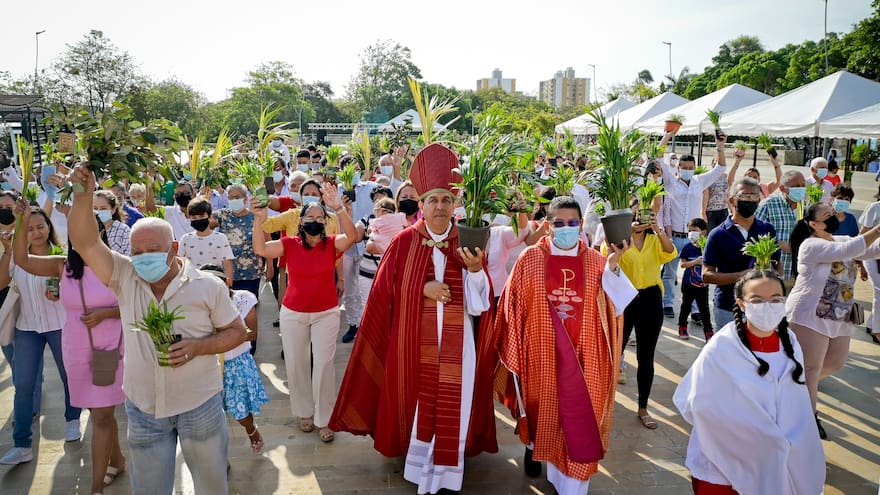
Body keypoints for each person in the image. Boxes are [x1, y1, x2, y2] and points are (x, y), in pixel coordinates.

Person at [66, 163, 248, 495]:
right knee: (149, 488)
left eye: (154, 251)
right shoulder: (124, 276)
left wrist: (198, 347)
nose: (144, 258)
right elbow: (84, 242)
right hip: (144, 408)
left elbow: (237, 332)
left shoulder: (207, 286)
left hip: (200, 404)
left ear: (175, 249)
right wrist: (82, 194)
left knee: (211, 485)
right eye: (137, 252)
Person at [330, 143, 498, 494]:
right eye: (433, 200)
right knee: (419, 402)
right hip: (412, 341)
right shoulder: (405, 241)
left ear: (455, 206)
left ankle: (448, 468)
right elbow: (383, 292)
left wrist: (474, 270)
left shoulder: (467, 241)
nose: (440, 207)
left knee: (455, 399)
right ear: (421, 206)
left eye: (446, 200)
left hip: (459, 343)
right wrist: (423, 289)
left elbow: (481, 304)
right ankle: (421, 464)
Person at [494, 195, 636, 495]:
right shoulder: (529, 258)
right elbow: (512, 304)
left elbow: (617, 307)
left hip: (585, 356)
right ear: (548, 226)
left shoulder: (597, 262)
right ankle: (533, 447)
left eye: (573, 223)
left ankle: (570, 482)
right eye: (559, 223)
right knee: (540, 410)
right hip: (540, 353)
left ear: (582, 224)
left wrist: (613, 266)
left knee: (578, 417)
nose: (567, 228)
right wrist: (516, 344)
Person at [673, 269, 825, 495]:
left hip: (779, 463)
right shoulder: (722, 347)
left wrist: (784, 444)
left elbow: (798, 405)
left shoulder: (791, 343)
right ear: (741, 304)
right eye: (757, 300)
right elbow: (697, 404)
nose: (767, 306)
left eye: (775, 300)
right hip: (723, 468)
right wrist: (759, 437)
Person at [12, 207, 126, 492]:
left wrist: (106, 315)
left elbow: (137, 306)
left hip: (108, 351)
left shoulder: (118, 265)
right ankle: (118, 459)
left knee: (100, 417)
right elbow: (21, 259)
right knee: (100, 411)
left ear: (100, 233)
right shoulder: (62, 266)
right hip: (75, 349)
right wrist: (21, 224)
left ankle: (95, 487)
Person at [252, 182, 355, 444]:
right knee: (297, 364)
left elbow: (352, 237)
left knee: (323, 363)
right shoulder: (289, 244)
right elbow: (262, 250)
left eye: (320, 217)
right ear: (301, 220)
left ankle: (324, 418)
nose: (315, 221)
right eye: (310, 217)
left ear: (326, 221)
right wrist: (257, 219)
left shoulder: (332, 243)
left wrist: (340, 209)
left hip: (326, 313)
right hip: (293, 313)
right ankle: (304, 413)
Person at [787, 203, 880, 439]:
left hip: (840, 317)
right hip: (809, 316)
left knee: (836, 363)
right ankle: (808, 417)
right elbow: (849, 250)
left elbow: (870, 250)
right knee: (811, 367)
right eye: (826, 215)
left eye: (832, 213)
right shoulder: (810, 245)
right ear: (813, 224)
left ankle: (792, 388)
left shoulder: (841, 240)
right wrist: (877, 230)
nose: (832, 217)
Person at [0, 203, 82, 466]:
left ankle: (72, 419)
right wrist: (7, 251)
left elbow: (76, 292)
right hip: (27, 328)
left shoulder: (60, 256)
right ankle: (22, 444)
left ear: (49, 227)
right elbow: (1, 283)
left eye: (41, 226)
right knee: (23, 386)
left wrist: (61, 292)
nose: (36, 232)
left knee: (69, 375)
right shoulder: (17, 257)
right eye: (30, 228)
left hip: (60, 325)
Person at [602, 204, 676, 429]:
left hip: (651, 298)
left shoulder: (655, 241)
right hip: (624, 299)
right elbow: (607, 263)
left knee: (646, 356)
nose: (640, 220)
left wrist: (658, 228)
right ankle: (603, 404)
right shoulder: (619, 241)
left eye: (645, 216)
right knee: (614, 353)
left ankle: (643, 407)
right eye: (636, 216)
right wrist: (623, 241)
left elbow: (671, 253)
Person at [659, 132, 729, 319]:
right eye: (684, 167)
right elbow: (658, 157)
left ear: (695, 167)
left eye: (691, 167)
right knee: (669, 272)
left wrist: (720, 147)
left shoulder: (700, 181)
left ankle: (696, 309)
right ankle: (667, 302)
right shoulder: (671, 180)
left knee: (696, 273)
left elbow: (721, 167)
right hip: (674, 235)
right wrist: (668, 136)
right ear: (679, 168)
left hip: (695, 237)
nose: (688, 170)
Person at [200, 265, 268, 455]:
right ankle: (218, 455)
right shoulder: (198, 304)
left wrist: (223, 337)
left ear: (226, 283)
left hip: (236, 363)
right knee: (210, 413)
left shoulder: (243, 298)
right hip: (208, 364)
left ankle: (252, 431)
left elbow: (253, 334)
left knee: (240, 409)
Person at [703, 177, 781, 330]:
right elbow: (706, 275)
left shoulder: (767, 229)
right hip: (728, 307)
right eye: (745, 196)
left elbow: (777, 265)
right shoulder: (718, 234)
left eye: (754, 197)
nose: (750, 200)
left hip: (761, 307)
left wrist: (772, 275)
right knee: (728, 352)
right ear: (732, 201)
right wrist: (742, 276)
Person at [0, 191, 43, 425]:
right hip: (3, 308)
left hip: (26, 305)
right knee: (13, 356)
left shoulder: (30, 233)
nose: (6, 209)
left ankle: (29, 408)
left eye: (9, 205)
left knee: (25, 363)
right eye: (2, 206)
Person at [755, 171, 806, 283]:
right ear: (782, 188)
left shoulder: (805, 206)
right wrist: (778, 244)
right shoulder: (769, 205)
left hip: (799, 272)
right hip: (773, 273)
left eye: (803, 185)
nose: (801, 189)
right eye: (796, 186)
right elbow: (754, 234)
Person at [179, 198, 235, 286]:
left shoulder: (220, 238)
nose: (198, 219)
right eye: (194, 217)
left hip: (215, 284)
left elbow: (227, 264)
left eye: (201, 216)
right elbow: (180, 264)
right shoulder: (186, 239)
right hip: (191, 285)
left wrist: (228, 286)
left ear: (209, 216)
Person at [678, 218, 713, 341]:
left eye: (694, 230)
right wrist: (696, 262)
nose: (691, 233)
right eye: (690, 231)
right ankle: (682, 326)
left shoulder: (708, 246)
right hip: (688, 283)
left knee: (704, 308)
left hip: (703, 284)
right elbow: (683, 264)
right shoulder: (688, 247)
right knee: (686, 306)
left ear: (703, 232)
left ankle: (708, 331)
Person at [858, 187, 880, 345]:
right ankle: (877, 330)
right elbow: (861, 237)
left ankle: (872, 323)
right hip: (871, 255)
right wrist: (860, 264)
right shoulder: (875, 208)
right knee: (879, 291)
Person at [94, 190, 131, 255]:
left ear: (113, 209)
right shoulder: (87, 230)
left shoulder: (123, 230)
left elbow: (128, 256)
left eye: (103, 208)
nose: (98, 212)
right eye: (95, 208)